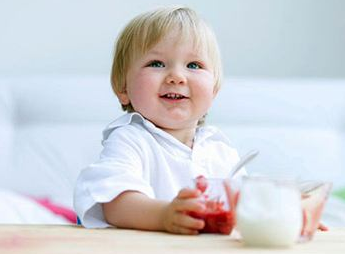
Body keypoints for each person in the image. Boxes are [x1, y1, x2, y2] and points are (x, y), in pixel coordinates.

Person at [73, 6, 242, 235]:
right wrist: (164, 216)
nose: (176, 77)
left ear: (214, 90)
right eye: (157, 63)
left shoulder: (221, 151)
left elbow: (247, 203)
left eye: (194, 65)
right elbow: (113, 201)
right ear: (123, 87)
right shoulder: (131, 139)